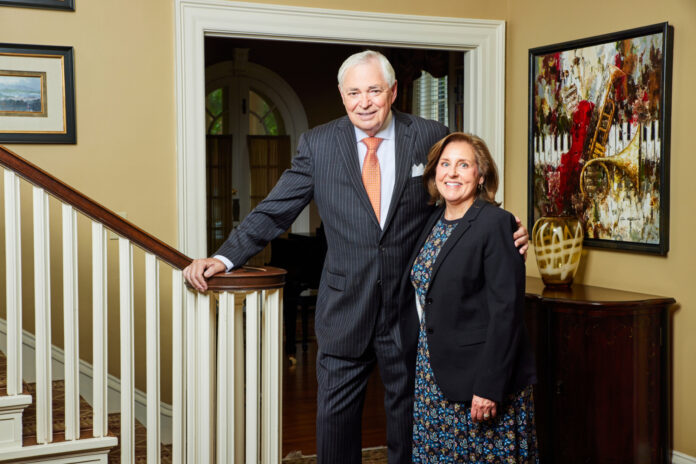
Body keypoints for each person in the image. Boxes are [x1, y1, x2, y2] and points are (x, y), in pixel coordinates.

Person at [183, 50, 529, 464]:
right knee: (335, 422)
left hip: (410, 310)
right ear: (342, 95)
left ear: (393, 91)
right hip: (344, 307)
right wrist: (223, 258)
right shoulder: (319, 144)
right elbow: (275, 210)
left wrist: (502, 224)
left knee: (407, 420)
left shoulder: (428, 134)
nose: (364, 101)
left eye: (374, 90)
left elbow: (457, 190)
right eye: (354, 92)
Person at [398, 132, 538, 463]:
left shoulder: (496, 223)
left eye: (464, 165)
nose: (452, 173)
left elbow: (507, 313)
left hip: (479, 378)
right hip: (433, 374)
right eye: (445, 164)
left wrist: (489, 387)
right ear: (434, 173)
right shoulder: (431, 221)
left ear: (481, 174)